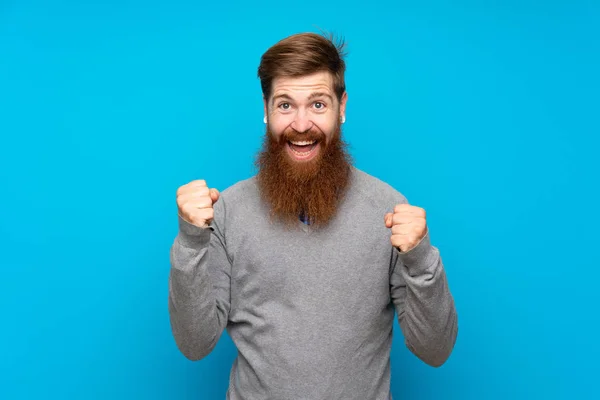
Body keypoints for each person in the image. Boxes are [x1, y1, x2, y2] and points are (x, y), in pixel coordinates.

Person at [168, 31, 458, 400]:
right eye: (285, 105)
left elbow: (436, 350)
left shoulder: (388, 210)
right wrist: (192, 241)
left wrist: (420, 260)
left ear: (342, 107)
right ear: (266, 108)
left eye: (318, 105)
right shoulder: (227, 211)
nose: (301, 125)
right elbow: (194, 344)